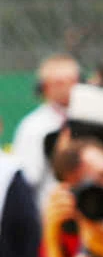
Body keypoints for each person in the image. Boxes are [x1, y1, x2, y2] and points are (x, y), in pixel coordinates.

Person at [10, 53, 79, 193]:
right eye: (60, 82)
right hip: (49, 208)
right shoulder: (33, 125)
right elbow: (28, 177)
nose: (68, 87)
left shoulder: (89, 118)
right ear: (44, 87)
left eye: (72, 81)